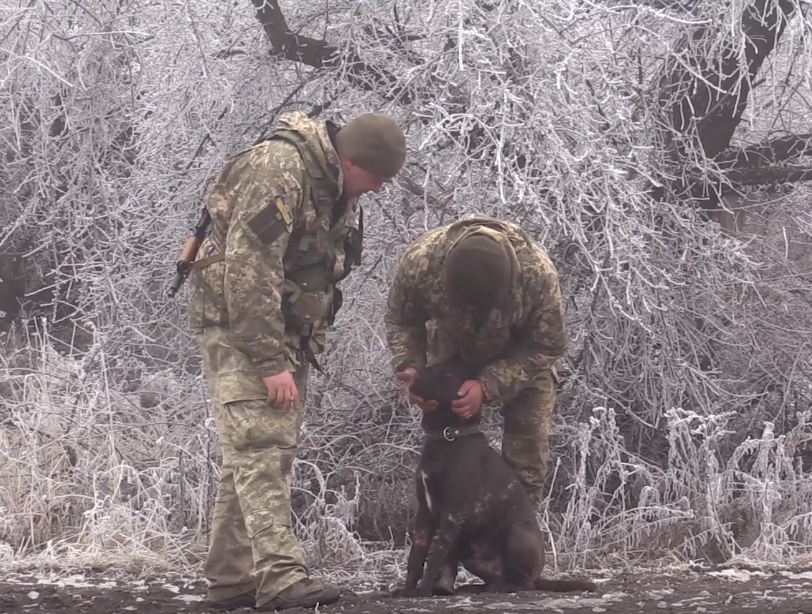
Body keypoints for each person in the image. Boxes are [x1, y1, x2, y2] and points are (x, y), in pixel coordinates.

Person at [187, 110, 406, 611]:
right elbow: (248, 268)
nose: (378, 190)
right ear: (350, 161)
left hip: (283, 329)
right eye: (376, 179)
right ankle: (282, 579)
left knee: (256, 450)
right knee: (261, 446)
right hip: (243, 328)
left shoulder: (331, 185)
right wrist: (268, 361)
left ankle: (230, 579)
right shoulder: (279, 169)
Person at [384, 214, 567, 509]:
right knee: (445, 449)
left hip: (521, 358)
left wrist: (487, 385)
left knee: (526, 456)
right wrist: (410, 367)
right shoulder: (422, 262)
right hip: (452, 352)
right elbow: (402, 320)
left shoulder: (536, 274)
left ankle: (516, 536)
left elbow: (547, 345)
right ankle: (449, 530)